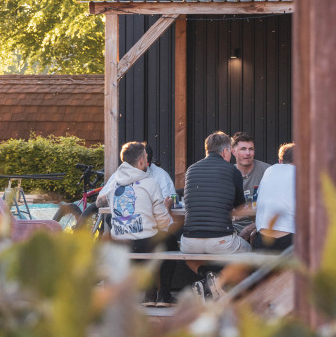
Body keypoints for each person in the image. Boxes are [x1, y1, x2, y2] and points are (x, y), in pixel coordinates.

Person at [97, 141, 178, 306]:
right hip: (144, 244)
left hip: (120, 244)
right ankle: (163, 296)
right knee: (169, 241)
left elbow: (99, 203)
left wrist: (109, 199)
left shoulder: (114, 183)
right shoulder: (150, 183)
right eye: (146, 158)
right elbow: (163, 222)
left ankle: (148, 296)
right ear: (142, 161)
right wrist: (167, 208)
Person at [181, 131, 251, 299]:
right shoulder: (232, 171)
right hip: (221, 240)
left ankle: (207, 277)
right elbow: (238, 206)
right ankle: (228, 288)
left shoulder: (191, 169)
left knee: (189, 254)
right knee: (249, 252)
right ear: (226, 151)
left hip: (189, 241)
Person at [244, 142, 295, 253]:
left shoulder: (269, 171)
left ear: (280, 161)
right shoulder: (302, 174)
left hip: (262, 241)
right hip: (289, 242)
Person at [231, 131, 270, 234]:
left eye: (251, 149)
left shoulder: (267, 171)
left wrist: (256, 225)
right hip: (233, 227)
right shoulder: (228, 173)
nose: (248, 153)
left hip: (261, 227)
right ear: (233, 152)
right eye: (243, 149)